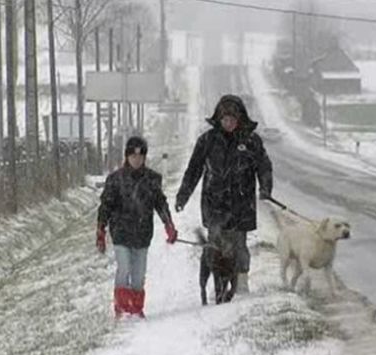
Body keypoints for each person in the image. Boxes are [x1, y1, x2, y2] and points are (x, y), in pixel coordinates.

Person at [175, 94, 273, 295]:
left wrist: (265, 188)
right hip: (214, 204)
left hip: (241, 203)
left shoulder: (251, 141)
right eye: (225, 119)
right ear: (219, 119)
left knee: (238, 245)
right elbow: (194, 170)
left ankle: (241, 281)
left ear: (240, 119)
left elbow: (264, 166)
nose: (229, 123)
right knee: (216, 246)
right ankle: (218, 284)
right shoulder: (207, 141)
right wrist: (182, 196)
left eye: (233, 119)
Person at [96, 136, 178, 319]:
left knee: (139, 274)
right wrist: (101, 230)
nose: (137, 160)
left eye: (140, 157)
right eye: (133, 156)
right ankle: (121, 304)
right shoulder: (115, 180)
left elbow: (161, 204)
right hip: (121, 233)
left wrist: (169, 225)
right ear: (127, 157)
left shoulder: (152, 179)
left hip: (142, 234)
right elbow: (105, 206)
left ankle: (135, 307)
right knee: (124, 267)